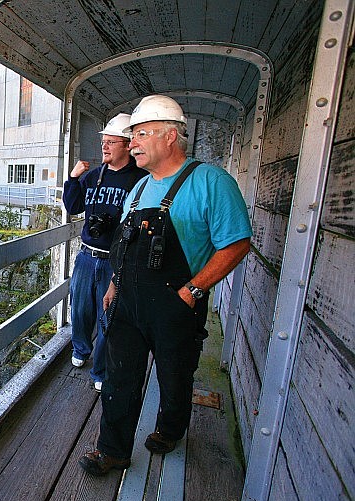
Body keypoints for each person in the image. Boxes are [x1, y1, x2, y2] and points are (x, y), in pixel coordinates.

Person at [78, 95, 252, 475]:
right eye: (132, 136)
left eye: (140, 134)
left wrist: (193, 291)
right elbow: (124, 245)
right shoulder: (139, 190)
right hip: (126, 301)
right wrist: (113, 288)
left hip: (175, 303)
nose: (133, 142)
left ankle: (170, 429)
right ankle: (113, 450)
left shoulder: (210, 182)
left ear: (170, 136)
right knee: (119, 377)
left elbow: (238, 242)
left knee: (174, 377)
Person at [62, 113, 147, 392]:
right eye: (104, 142)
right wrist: (73, 179)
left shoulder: (141, 180)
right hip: (87, 255)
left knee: (107, 315)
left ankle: (99, 371)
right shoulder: (92, 177)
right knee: (81, 308)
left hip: (116, 260)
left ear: (127, 145)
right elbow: (73, 207)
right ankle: (80, 349)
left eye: (112, 142)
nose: (105, 147)